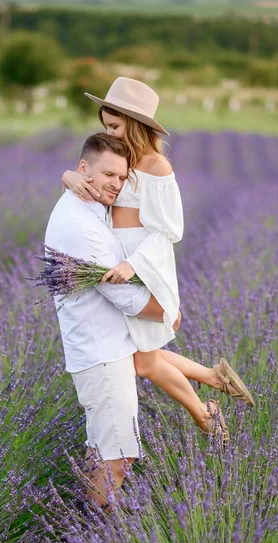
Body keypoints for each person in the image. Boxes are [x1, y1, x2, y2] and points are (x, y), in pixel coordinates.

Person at [62, 77, 254, 447]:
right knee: (139, 354)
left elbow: (169, 231)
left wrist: (135, 266)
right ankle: (214, 380)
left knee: (143, 362)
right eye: (106, 126)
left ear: (135, 124)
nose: (110, 133)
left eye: (115, 126)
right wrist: (69, 175)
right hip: (118, 261)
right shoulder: (118, 161)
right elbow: (86, 179)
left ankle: (206, 412)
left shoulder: (157, 166)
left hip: (142, 267)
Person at [46, 132, 179, 511]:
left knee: (105, 449)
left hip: (103, 349)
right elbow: (120, 294)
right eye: (108, 175)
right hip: (102, 353)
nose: (115, 185)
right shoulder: (81, 224)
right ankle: (99, 542)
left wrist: (68, 176)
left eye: (121, 178)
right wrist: (166, 309)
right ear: (84, 168)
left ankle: (91, 534)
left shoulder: (83, 203)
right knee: (117, 457)